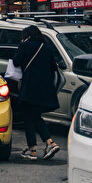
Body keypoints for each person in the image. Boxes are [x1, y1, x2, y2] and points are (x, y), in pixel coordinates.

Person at [12, 25, 61, 161]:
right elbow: (53, 68)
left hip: (30, 88)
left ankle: (46, 145)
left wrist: (21, 47)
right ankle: (35, 148)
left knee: (30, 117)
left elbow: (16, 61)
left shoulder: (25, 46)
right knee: (33, 117)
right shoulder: (46, 48)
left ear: (26, 35)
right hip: (45, 89)